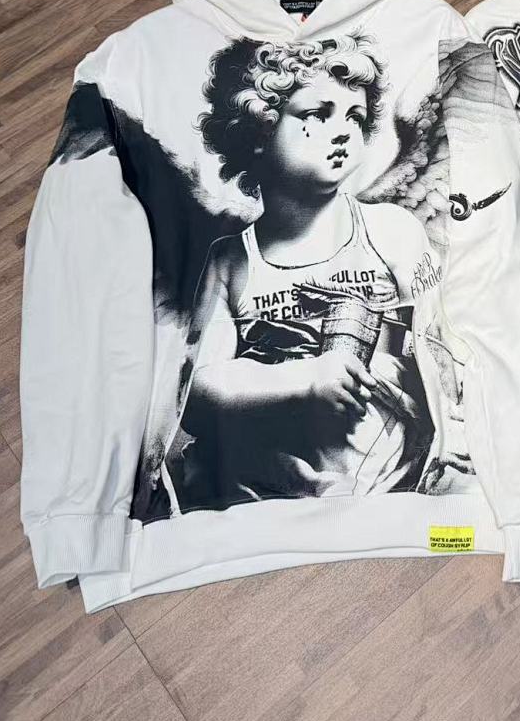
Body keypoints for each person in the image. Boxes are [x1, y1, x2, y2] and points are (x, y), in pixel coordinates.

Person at [162, 33, 440, 513]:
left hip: (391, 490)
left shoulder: (391, 232)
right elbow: (198, 391)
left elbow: (444, 347)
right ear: (258, 129)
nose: (344, 131)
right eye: (317, 113)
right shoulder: (230, 261)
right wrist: (305, 380)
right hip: (271, 497)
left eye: (355, 116)